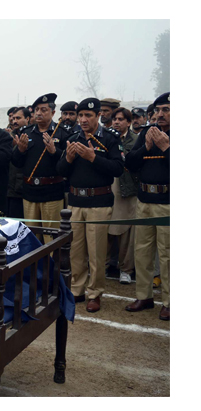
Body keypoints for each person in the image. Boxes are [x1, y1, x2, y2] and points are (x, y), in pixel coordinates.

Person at [56, 98, 124, 313]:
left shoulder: (110, 138)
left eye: (88, 116)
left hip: (99, 202)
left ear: (98, 117)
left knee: (96, 252)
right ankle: (77, 289)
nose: (83, 120)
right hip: (76, 202)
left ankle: (95, 292)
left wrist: (93, 158)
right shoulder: (73, 137)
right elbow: (60, 170)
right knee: (76, 250)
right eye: (81, 115)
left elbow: (118, 168)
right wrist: (67, 158)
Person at [124, 92, 170, 321]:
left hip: (169, 204)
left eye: (167, 110)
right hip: (144, 200)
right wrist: (146, 147)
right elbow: (130, 164)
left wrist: (167, 148)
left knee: (169, 254)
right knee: (141, 251)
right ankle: (144, 296)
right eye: (158, 110)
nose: (160, 114)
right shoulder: (146, 133)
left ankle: (170, 301)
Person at [12, 94, 71, 243]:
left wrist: (54, 151)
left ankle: (51, 266)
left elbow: (68, 163)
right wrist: (20, 150)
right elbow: (16, 163)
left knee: (51, 236)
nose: (38, 113)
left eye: (43, 110)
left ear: (52, 112)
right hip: (30, 192)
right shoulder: (27, 132)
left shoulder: (62, 132)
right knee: (30, 237)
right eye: (36, 110)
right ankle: (34, 267)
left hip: (52, 192)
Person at [107, 107, 139, 284]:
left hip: (126, 190)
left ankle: (125, 269)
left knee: (126, 230)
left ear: (128, 122)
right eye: (115, 119)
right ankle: (103, 265)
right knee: (105, 227)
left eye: (121, 119)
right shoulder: (106, 137)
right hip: (107, 187)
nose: (117, 122)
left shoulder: (135, 140)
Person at [6, 106, 31, 219]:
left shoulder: (31, 135)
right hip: (9, 186)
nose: (14, 121)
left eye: (18, 118)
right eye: (13, 118)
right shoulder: (8, 135)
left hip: (22, 187)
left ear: (27, 119)